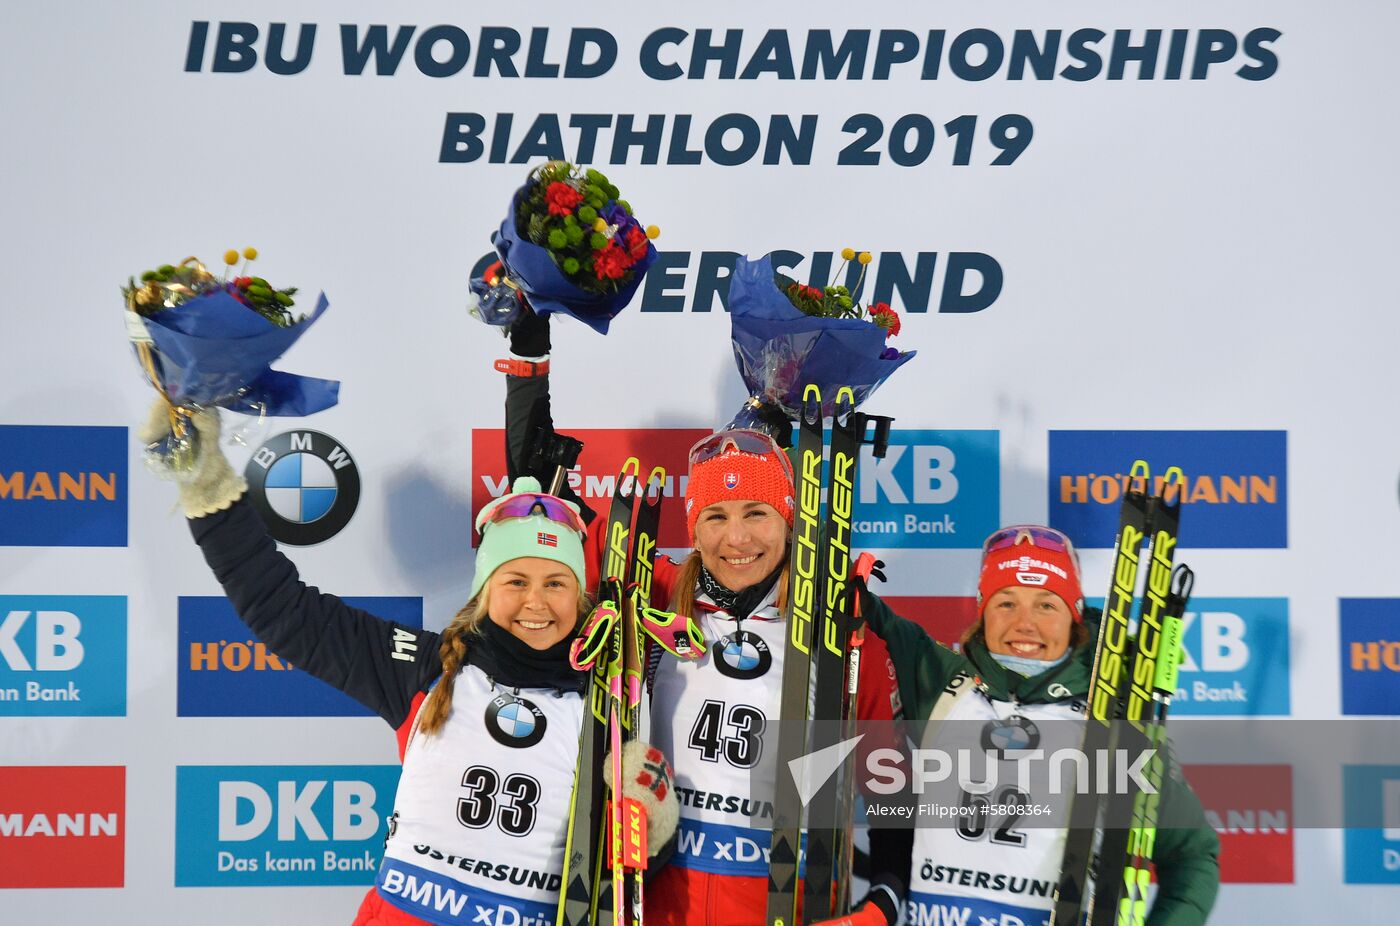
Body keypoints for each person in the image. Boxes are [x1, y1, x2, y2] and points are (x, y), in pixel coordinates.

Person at [140, 404, 678, 925]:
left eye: (556, 583)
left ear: (579, 597)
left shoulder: (604, 708)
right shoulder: (429, 669)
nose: (535, 603)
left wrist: (651, 831)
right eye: (515, 582)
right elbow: (284, 610)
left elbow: (618, 892)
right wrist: (207, 485)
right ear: (485, 592)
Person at [499, 311, 912, 926]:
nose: (737, 538)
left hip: (782, 906)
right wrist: (530, 356)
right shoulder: (651, 592)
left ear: (789, 520)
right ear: (692, 529)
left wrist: (884, 904)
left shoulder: (843, 634)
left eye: (757, 513)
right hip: (657, 907)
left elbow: (892, 791)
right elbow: (539, 492)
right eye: (715, 517)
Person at [857, 525, 1221, 926]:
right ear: (982, 612)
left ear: (1074, 616)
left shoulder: (1115, 722)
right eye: (1005, 603)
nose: (1024, 624)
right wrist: (842, 581)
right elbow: (860, 614)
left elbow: (1192, 857)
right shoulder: (945, 683)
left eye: (1046, 605)